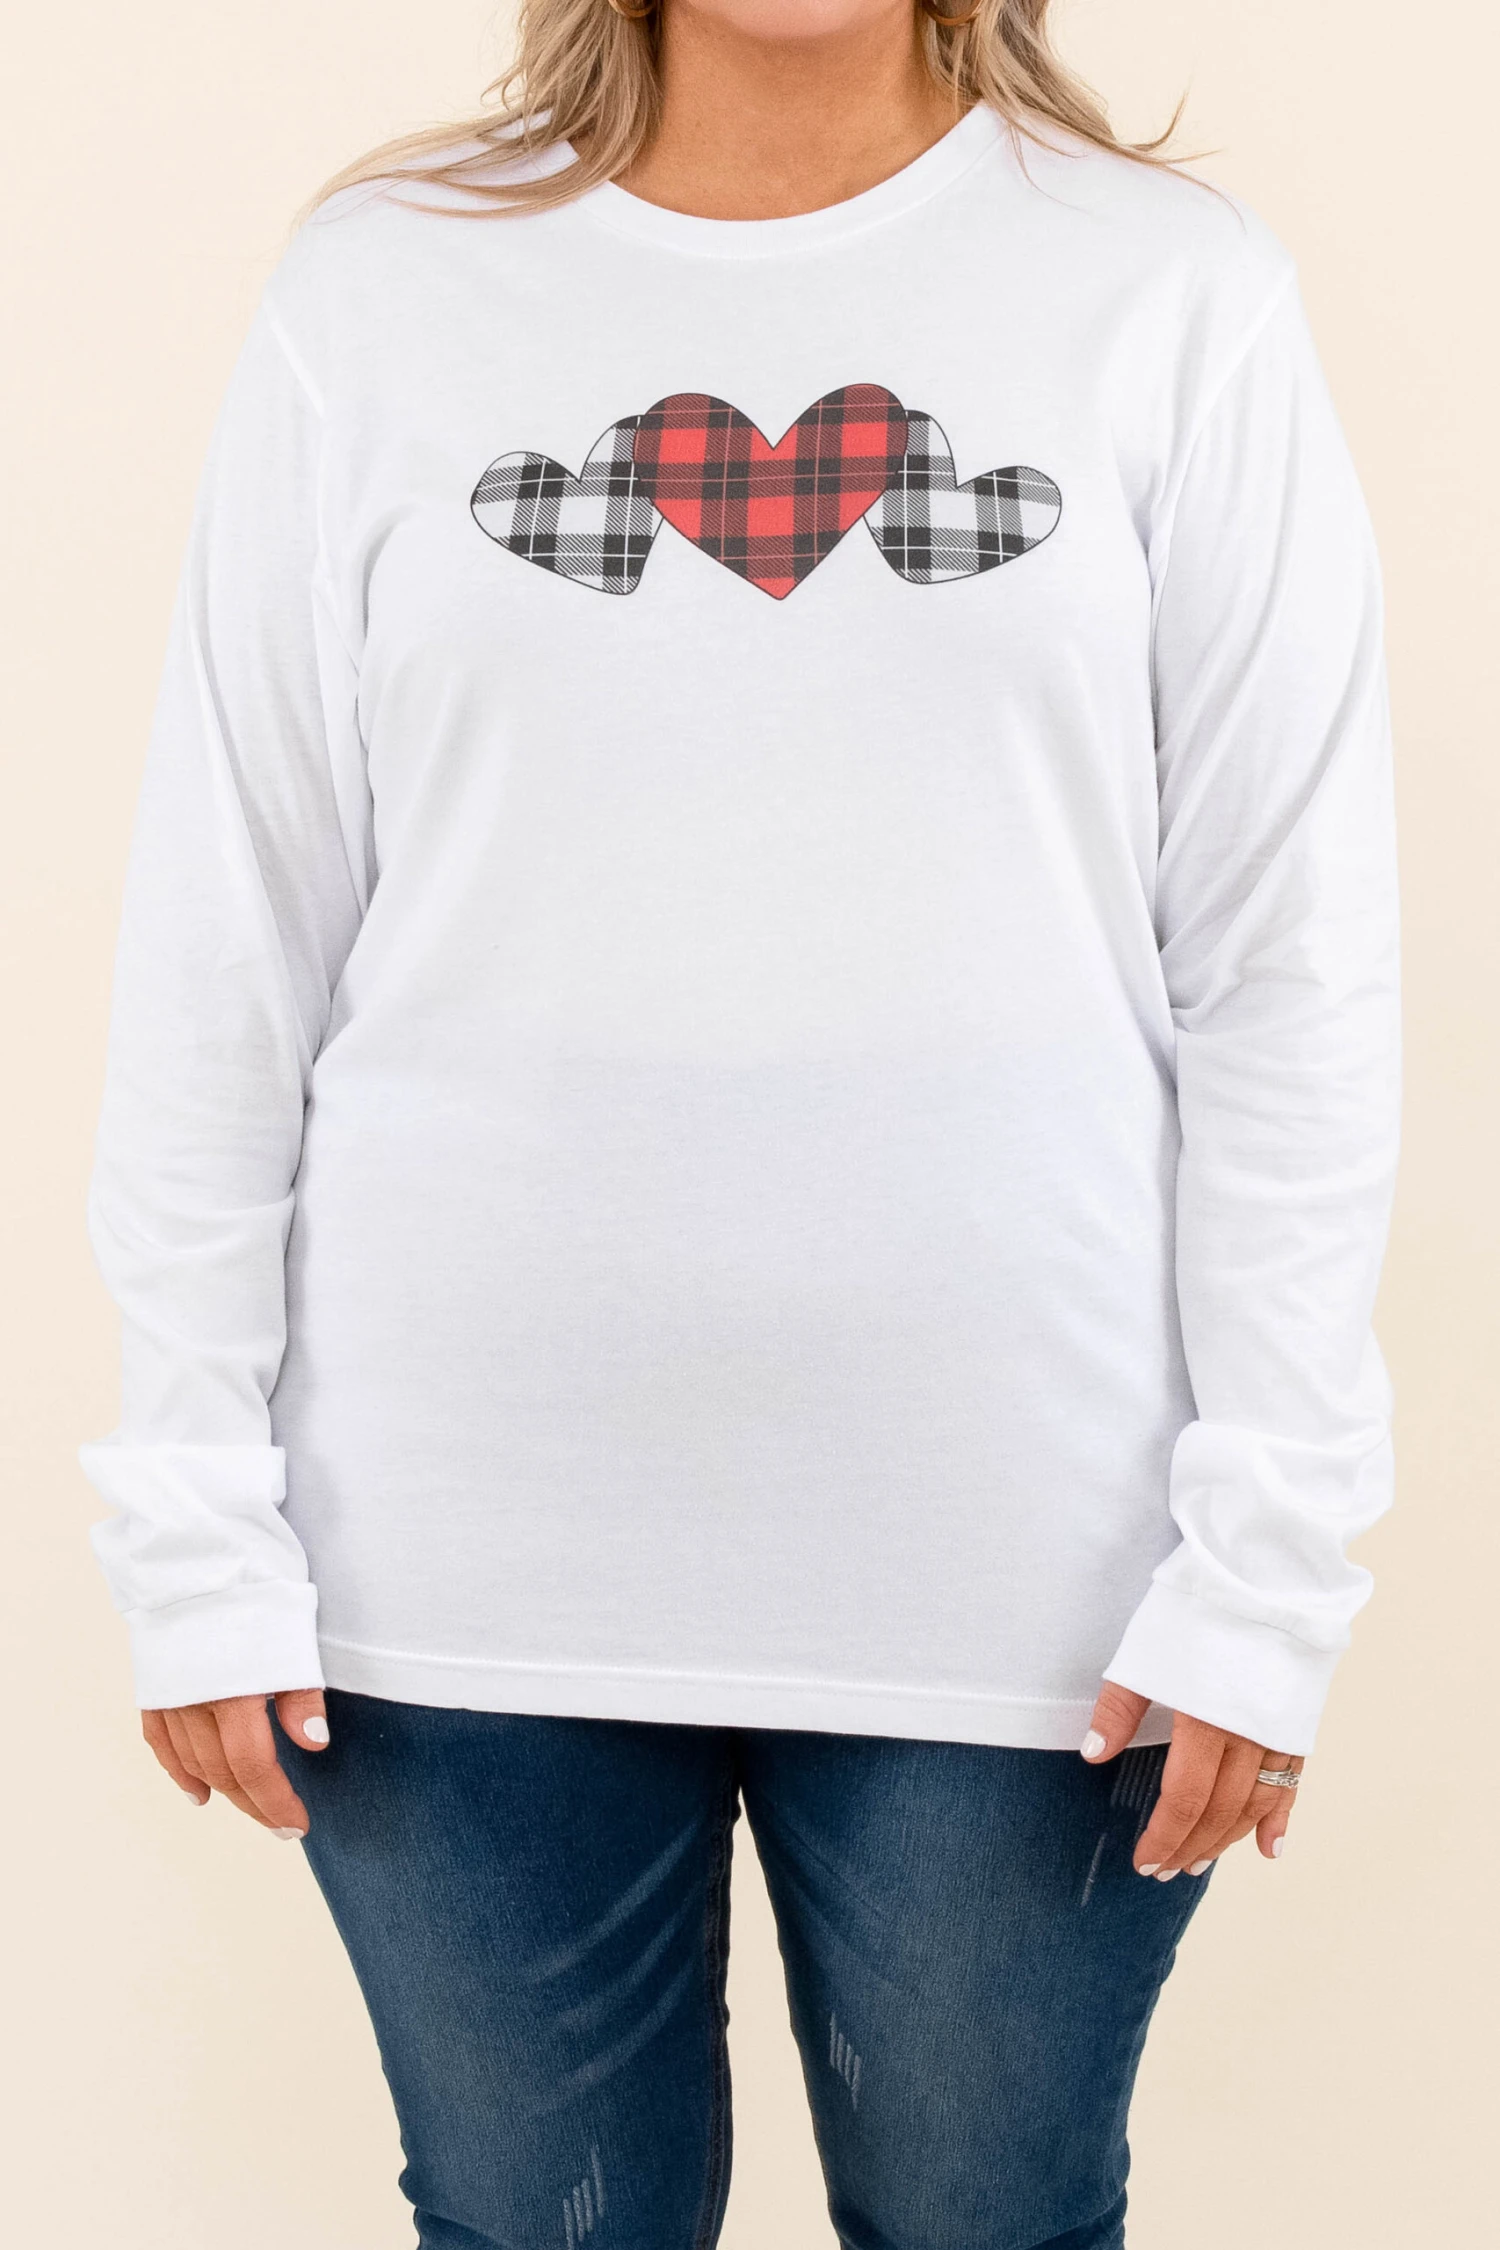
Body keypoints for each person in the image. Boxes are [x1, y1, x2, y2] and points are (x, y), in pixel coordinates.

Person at [79, 2, 1400, 2244]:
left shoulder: (1175, 292)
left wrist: (1270, 1547)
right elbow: (231, 941)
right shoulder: (381, 289)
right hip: (452, 1565)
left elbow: (1291, 964)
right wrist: (189, 1505)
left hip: (1034, 1573)